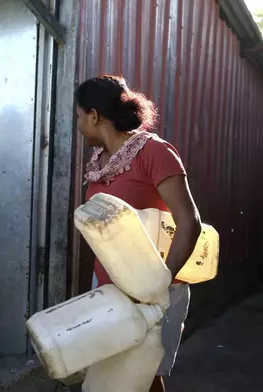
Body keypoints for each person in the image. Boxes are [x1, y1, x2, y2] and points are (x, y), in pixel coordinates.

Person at [75, 75, 202, 392]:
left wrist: (160, 283)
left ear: (94, 115)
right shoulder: (100, 160)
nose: (78, 125)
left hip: (154, 290)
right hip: (108, 286)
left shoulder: (155, 153)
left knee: (143, 374)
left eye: (79, 116)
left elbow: (190, 221)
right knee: (121, 375)